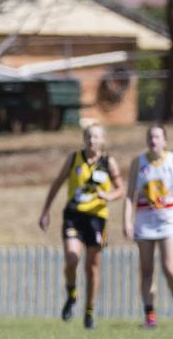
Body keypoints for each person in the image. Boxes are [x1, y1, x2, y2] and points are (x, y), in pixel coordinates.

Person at [37, 124, 124, 329]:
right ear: (83, 139)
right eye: (88, 136)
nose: (91, 140)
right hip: (74, 216)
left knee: (92, 267)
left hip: (96, 218)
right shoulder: (74, 159)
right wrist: (45, 211)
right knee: (71, 258)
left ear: (102, 140)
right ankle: (72, 294)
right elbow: (57, 183)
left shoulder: (108, 162)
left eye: (95, 137)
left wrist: (108, 196)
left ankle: (89, 311)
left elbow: (121, 189)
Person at [123, 125, 173, 329]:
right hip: (145, 221)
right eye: (150, 136)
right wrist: (127, 220)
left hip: (169, 220)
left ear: (165, 140)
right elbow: (129, 195)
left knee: (169, 266)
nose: (153, 140)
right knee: (146, 270)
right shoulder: (139, 162)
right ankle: (150, 314)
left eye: (157, 136)